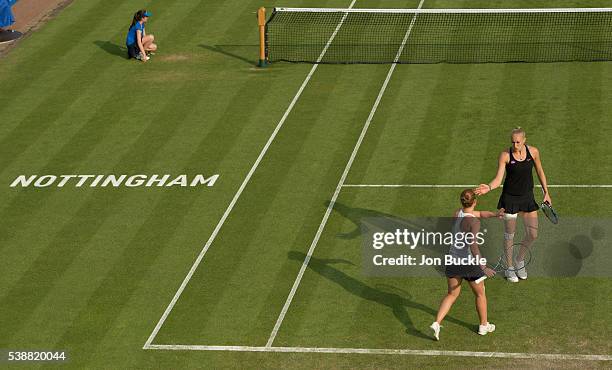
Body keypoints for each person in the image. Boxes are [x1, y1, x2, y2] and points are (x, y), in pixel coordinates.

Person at [474, 127, 551, 282]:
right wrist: (488, 187)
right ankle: (509, 267)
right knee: (510, 234)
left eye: (518, 142)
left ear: (524, 140)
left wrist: (546, 193)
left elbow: (540, 172)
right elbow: (498, 179)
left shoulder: (533, 152)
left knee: (533, 234)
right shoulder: (505, 155)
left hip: (527, 198)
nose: (515, 145)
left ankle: (519, 260)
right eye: (513, 142)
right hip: (510, 199)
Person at [430, 189, 499, 340]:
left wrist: (495, 214)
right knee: (480, 293)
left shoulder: (457, 214)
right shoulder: (474, 222)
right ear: (475, 201)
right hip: (468, 263)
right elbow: (473, 246)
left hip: (452, 261)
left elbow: (480, 213)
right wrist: (483, 267)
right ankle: (483, 325)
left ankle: (436, 323)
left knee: (452, 294)